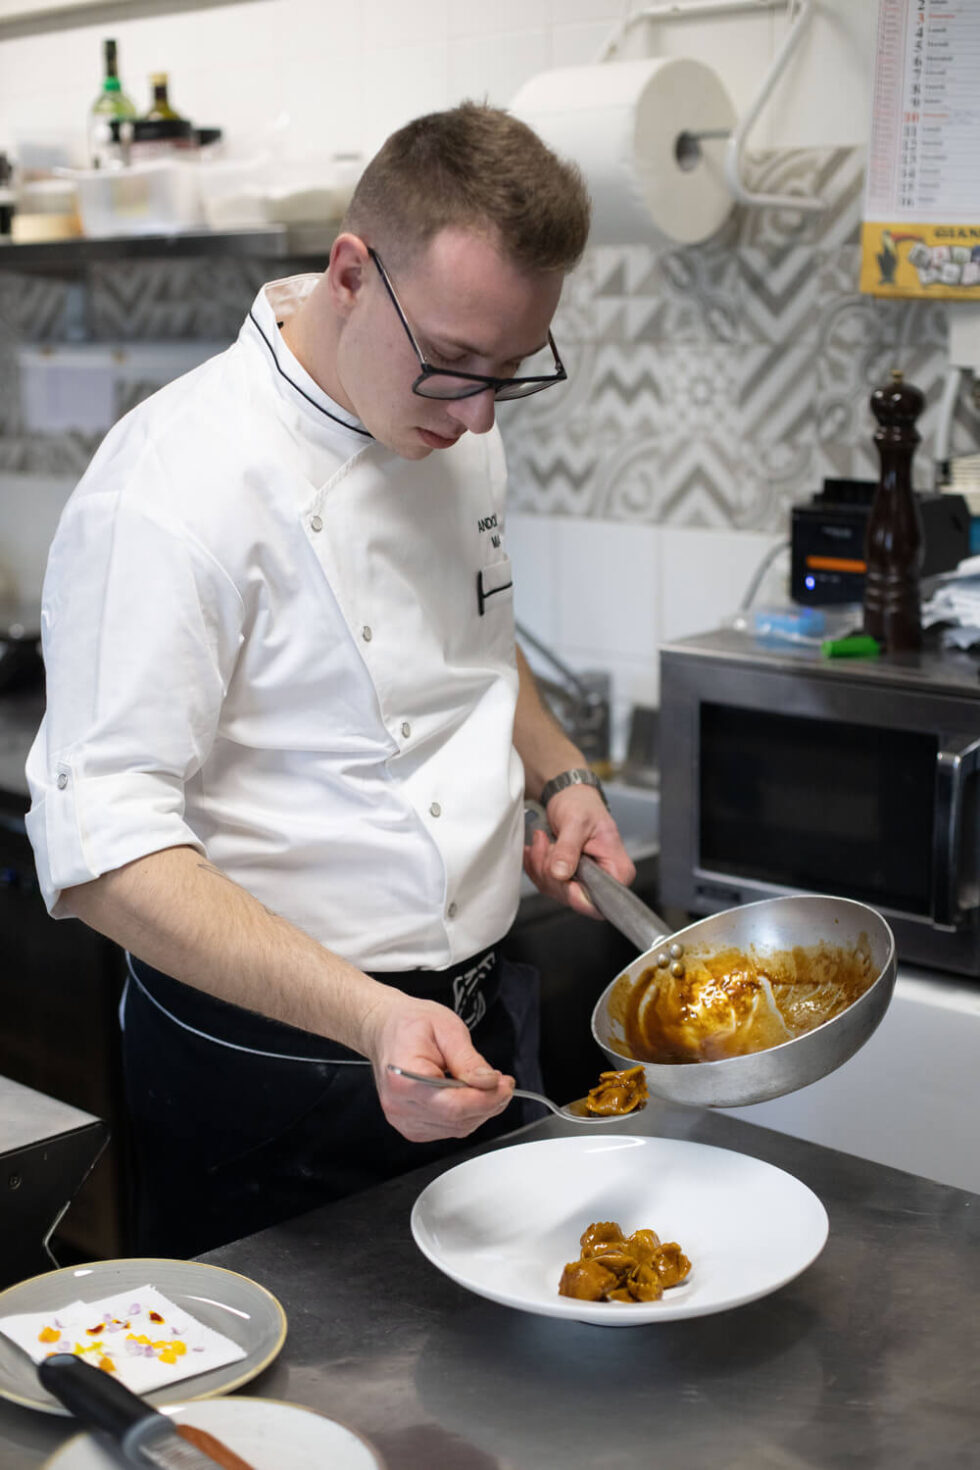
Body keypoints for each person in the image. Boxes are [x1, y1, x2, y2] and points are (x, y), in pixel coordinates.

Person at [25, 102, 635, 1257]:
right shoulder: (171, 484)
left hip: (475, 1011)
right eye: (453, 362)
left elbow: (469, 636)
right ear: (350, 274)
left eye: (508, 371)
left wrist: (559, 774)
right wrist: (367, 1018)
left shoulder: (447, 418)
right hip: (272, 1066)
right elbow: (103, 851)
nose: (478, 413)